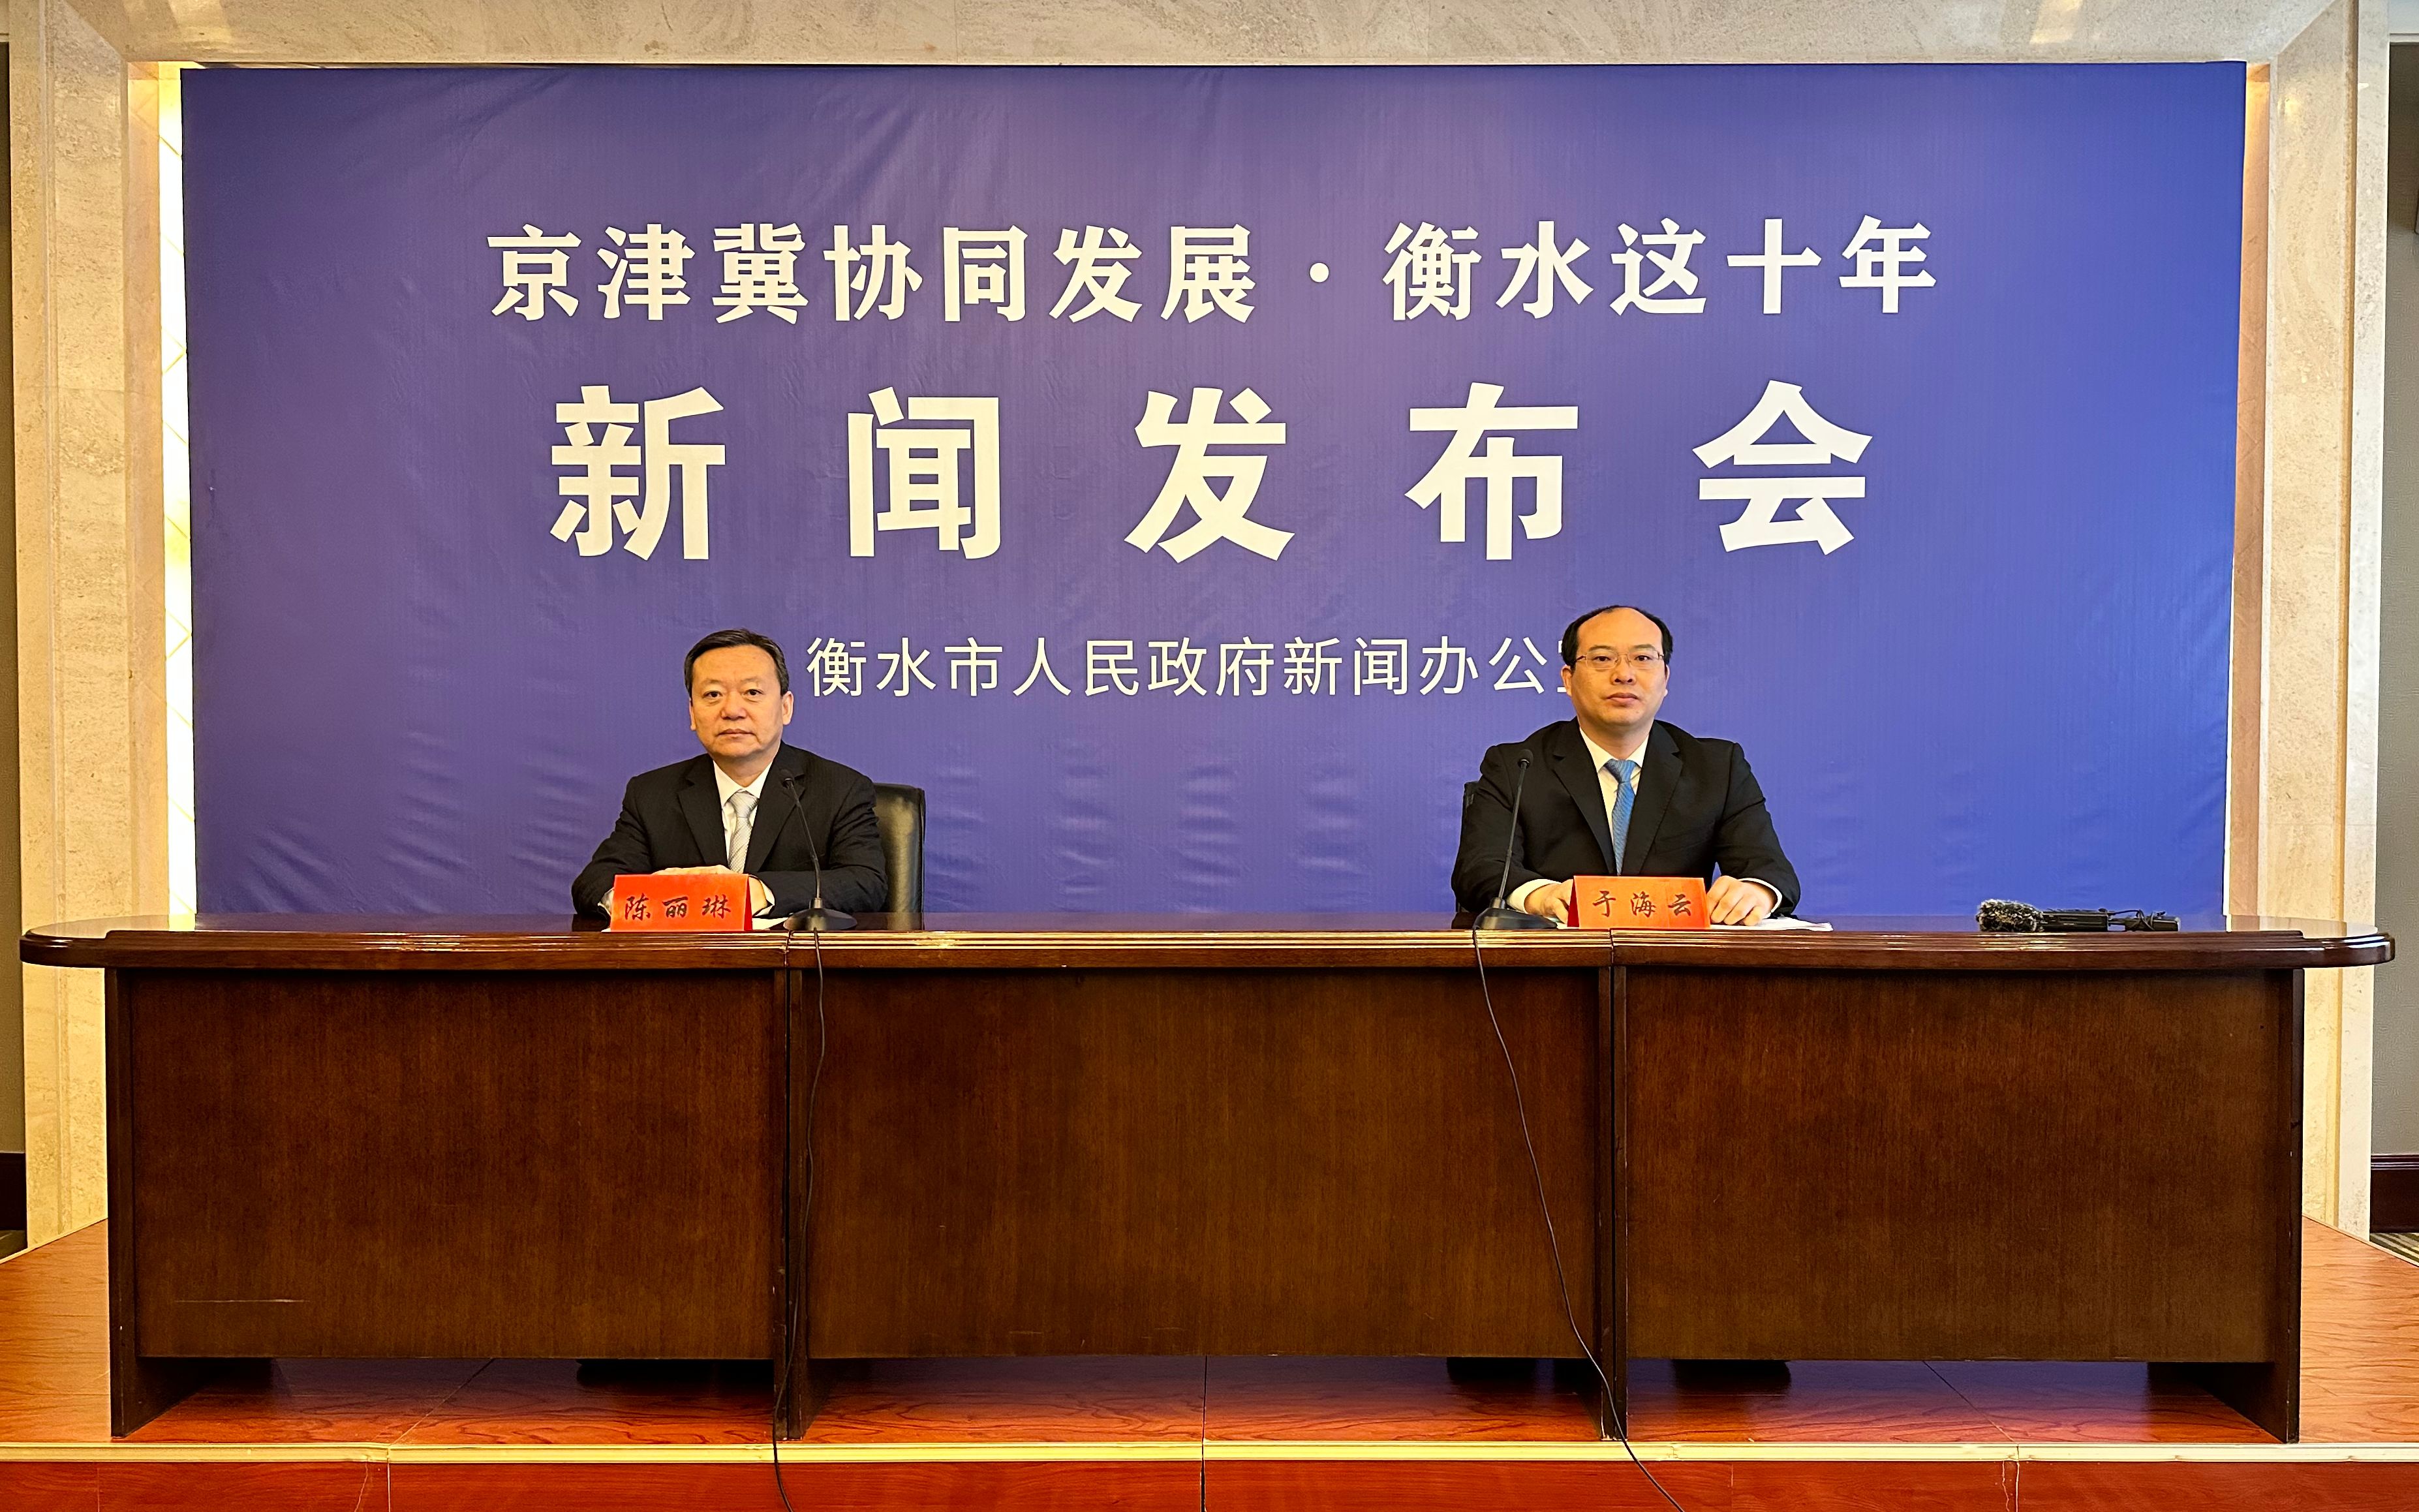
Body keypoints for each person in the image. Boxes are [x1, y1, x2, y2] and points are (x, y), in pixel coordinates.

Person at [1452, 604, 1798, 925]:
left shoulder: (1717, 767)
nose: (1624, 674)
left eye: (1643, 658)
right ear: (1569, 679)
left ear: (1665, 678)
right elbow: (1480, 868)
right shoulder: (1518, 766)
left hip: (1676, 959)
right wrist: (1539, 896)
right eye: (1603, 658)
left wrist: (1756, 891)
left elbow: (1770, 870)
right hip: (1557, 959)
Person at [573, 628, 888, 919]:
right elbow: (595, 883)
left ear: (785, 708)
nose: (732, 710)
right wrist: (659, 897)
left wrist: (750, 892)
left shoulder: (840, 788)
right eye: (713, 695)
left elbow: (865, 883)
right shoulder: (652, 793)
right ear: (692, 713)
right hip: (688, 960)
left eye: (752, 692)